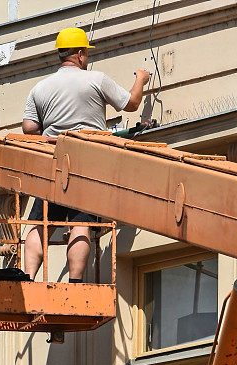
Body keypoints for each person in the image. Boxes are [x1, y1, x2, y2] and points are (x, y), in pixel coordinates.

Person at [22, 27, 150, 282]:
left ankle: (27, 277)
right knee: (81, 222)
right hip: (86, 163)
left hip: (54, 161)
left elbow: (28, 128)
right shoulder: (96, 80)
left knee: (40, 223)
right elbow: (131, 104)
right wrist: (141, 79)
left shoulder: (40, 88)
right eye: (86, 54)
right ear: (80, 54)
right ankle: (76, 280)